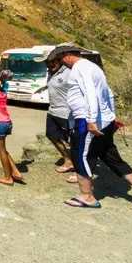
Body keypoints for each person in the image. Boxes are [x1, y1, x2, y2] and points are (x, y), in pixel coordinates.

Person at [48, 44, 132, 213]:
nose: (62, 63)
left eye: (61, 59)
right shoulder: (93, 67)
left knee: (79, 154)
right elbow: (108, 93)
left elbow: (90, 93)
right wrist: (110, 116)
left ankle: (86, 196)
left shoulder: (79, 68)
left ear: (67, 54)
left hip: (87, 120)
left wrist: (91, 120)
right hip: (103, 120)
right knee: (110, 157)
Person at [37, 52, 77, 184]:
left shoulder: (69, 73)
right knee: (51, 135)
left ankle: (81, 168)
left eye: (52, 61)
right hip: (53, 111)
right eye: (46, 62)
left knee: (74, 142)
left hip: (67, 113)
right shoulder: (50, 72)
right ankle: (68, 161)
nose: (49, 65)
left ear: (59, 60)